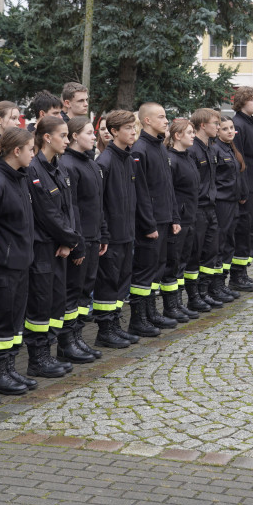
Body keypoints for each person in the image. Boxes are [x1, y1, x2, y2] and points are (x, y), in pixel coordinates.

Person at [0, 127, 37, 396]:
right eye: (31, 149)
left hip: (20, 263)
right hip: (2, 266)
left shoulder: (20, 178)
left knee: (14, 323)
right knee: (0, 322)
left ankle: (9, 369)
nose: (33, 154)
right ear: (17, 151)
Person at [25, 115, 80, 377]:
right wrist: (67, 239)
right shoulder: (34, 170)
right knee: (41, 303)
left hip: (60, 247)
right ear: (48, 137)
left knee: (56, 302)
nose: (67, 141)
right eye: (64, 135)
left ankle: (48, 352)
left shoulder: (59, 168)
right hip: (43, 248)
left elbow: (69, 209)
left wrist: (69, 241)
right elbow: (46, 214)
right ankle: (37, 359)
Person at [130, 102, 181, 334]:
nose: (166, 120)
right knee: (144, 271)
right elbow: (141, 192)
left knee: (158, 268)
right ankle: (138, 320)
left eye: (166, 116)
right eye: (161, 117)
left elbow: (167, 187)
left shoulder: (160, 146)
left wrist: (173, 217)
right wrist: (148, 224)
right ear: (147, 121)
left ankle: (151, 314)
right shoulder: (139, 149)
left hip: (163, 218)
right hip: (148, 224)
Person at [59, 117, 107, 362]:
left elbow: (98, 203)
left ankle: (77, 337)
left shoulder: (90, 163)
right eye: (89, 132)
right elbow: (72, 208)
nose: (94, 136)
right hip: (81, 239)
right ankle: (66, 342)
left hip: (94, 237)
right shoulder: (68, 164)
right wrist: (76, 242)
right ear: (75, 136)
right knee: (73, 292)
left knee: (84, 291)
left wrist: (103, 232)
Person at [93, 110, 141, 348]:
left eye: (134, 127)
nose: (133, 132)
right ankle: (105, 330)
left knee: (121, 282)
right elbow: (99, 203)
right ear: (113, 132)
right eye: (128, 128)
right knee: (108, 283)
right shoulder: (105, 161)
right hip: (111, 236)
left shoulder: (128, 158)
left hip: (127, 233)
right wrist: (105, 234)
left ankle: (115, 325)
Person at [187, 108, 228, 309]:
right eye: (215, 123)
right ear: (202, 125)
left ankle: (204, 292)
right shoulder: (192, 149)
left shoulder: (211, 148)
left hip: (211, 208)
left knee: (210, 252)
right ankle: (193, 297)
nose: (218, 127)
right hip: (197, 209)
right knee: (195, 254)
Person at [162, 119, 200, 319]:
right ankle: (170, 306)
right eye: (189, 132)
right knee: (173, 264)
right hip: (179, 220)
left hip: (190, 218)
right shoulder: (172, 159)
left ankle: (178, 302)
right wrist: (175, 217)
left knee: (183, 262)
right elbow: (169, 193)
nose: (193, 135)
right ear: (177, 136)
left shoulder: (188, 157)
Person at [230, 87, 253, 290]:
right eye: (252, 99)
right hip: (247, 190)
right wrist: (243, 190)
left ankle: (244, 272)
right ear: (241, 101)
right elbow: (239, 160)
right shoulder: (238, 125)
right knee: (244, 232)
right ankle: (237, 277)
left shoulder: (251, 124)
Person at [213, 116, 253, 297]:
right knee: (220, 244)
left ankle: (222, 283)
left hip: (233, 202)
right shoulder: (215, 150)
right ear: (217, 131)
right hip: (222, 203)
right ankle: (215, 285)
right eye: (225, 128)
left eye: (231, 128)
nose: (230, 131)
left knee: (229, 243)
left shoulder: (230, 149)